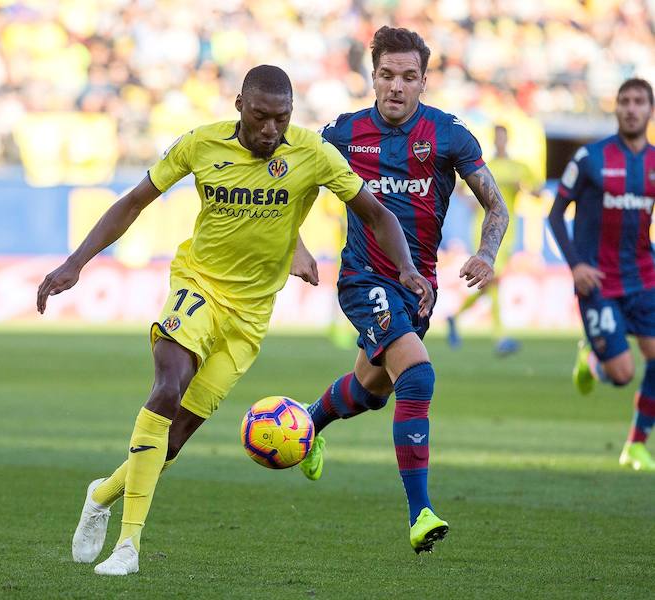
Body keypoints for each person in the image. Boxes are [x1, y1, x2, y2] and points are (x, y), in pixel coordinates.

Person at [37, 65, 434, 576]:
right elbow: (134, 201)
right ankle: (128, 546)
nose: (271, 130)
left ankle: (103, 493)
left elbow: (377, 213)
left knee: (174, 439)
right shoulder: (200, 145)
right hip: (197, 287)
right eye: (261, 116)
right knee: (167, 388)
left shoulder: (311, 152)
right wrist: (76, 263)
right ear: (239, 105)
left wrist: (405, 267)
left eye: (282, 119)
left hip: (249, 317)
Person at [295, 26, 509, 554]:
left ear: (423, 81)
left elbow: (496, 205)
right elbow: (291, 186)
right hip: (364, 279)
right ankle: (421, 513)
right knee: (418, 374)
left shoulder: (449, 135)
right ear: (373, 77)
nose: (396, 86)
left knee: (372, 389)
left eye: (408, 77)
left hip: (419, 288)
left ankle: (308, 423)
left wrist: (486, 253)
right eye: (387, 75)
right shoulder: (342, 134)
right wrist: (295, 246)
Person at [548, 77, 655, 472]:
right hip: (598, 281)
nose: (630, 108)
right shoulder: (590, 158)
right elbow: (556, 214)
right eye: (624, 101)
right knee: (624, 374)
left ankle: (636, 444)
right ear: (616, 108)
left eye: (638, 102)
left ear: (649, 110)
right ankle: (592, 359)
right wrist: (576, 264)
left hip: (643, 275)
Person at [447, 125, 540, 355]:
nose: (500, 141)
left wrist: (525, 189)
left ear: (507, 140)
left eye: (503, 138)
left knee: (490, 282)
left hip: (507, 231)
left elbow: (538, 191)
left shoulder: (519, 168)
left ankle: (454, 317)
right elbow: (459, 188)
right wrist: (470, 201)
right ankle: (500, 337)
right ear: (493, 139)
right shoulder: (486, 165)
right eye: (497, 137)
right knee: (493, 279)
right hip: (482, 227)